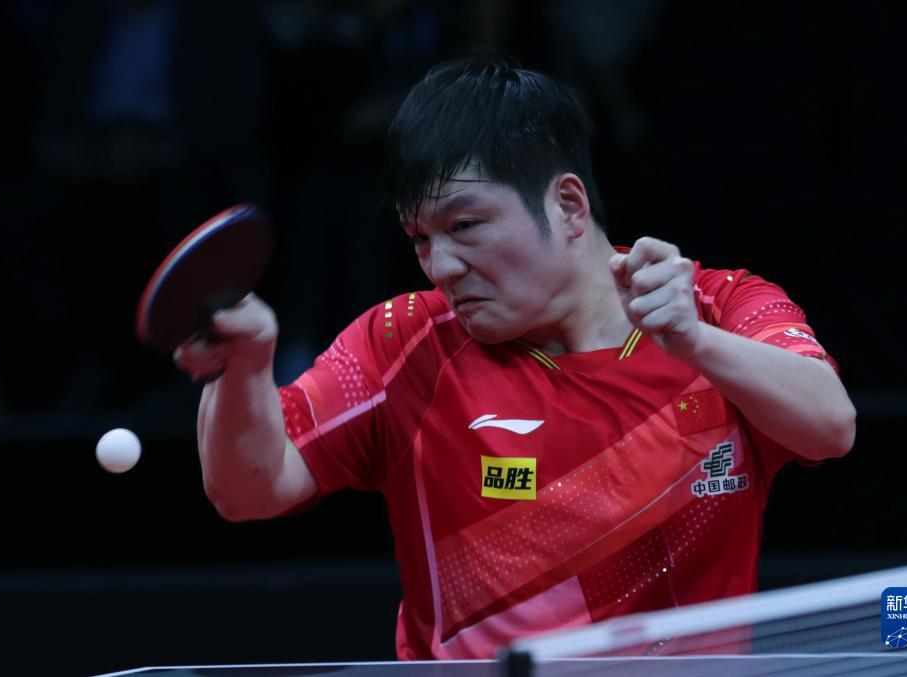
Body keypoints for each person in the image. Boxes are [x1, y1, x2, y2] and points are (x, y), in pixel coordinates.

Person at [173, 55, 856, 660]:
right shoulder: (403, 340)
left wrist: (694, 342)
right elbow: (249, 491)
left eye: (465, 225)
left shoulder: (719, 306)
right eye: (420, 238)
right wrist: (243, 369)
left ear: (567, 205)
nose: (440, 265)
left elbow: (830, 426)